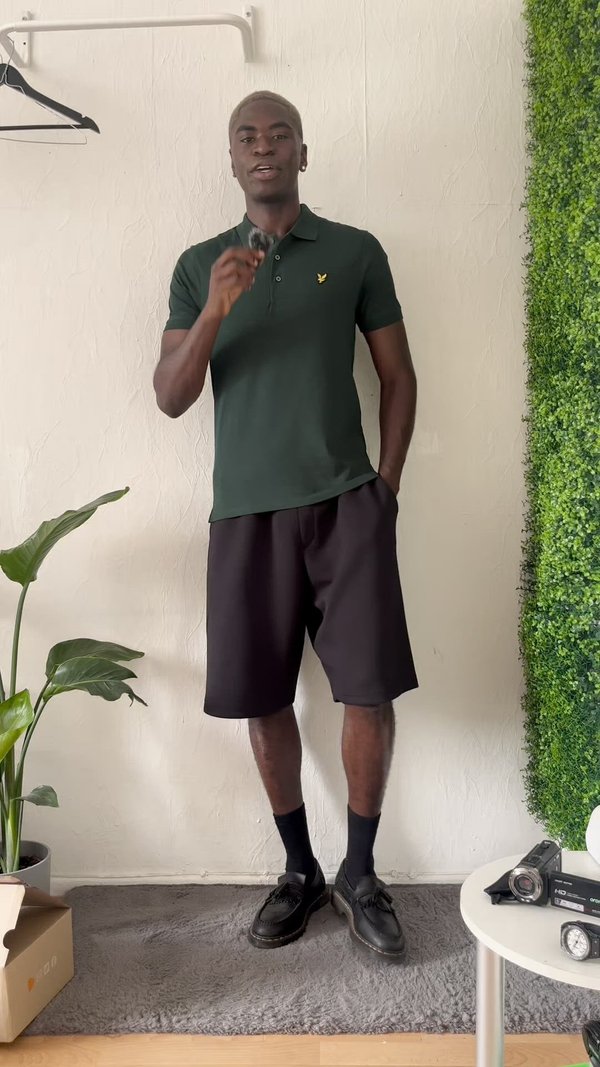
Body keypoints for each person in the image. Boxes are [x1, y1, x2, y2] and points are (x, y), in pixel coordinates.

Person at [154, 91, 418, 962]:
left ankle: (361, 873)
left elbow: (398, 375)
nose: (263, 146)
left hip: (347, 507)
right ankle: (300, 868)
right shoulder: (199, 266)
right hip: (244, 515)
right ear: (232, 159)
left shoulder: (354, 251)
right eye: (247, 137)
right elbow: (170, 395)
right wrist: (217, 307)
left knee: (368, 691)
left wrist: (383, 490)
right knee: (262, 697)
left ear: (303, 152)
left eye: (280, 135)